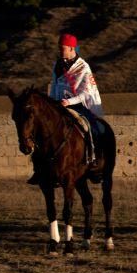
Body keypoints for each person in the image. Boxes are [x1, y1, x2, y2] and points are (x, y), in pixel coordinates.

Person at [28, 33, 103, 184]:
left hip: (79, 104)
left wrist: (69, 102)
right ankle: (40, 168)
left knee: (90, 127)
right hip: (58, 104)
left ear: (71, 48)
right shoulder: (58, 65)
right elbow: (55, 84)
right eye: (59, 48)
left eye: (63, 48)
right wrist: (53, 102)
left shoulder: (83, 67)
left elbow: (86, 92)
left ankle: (93, 159)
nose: (60, 51)